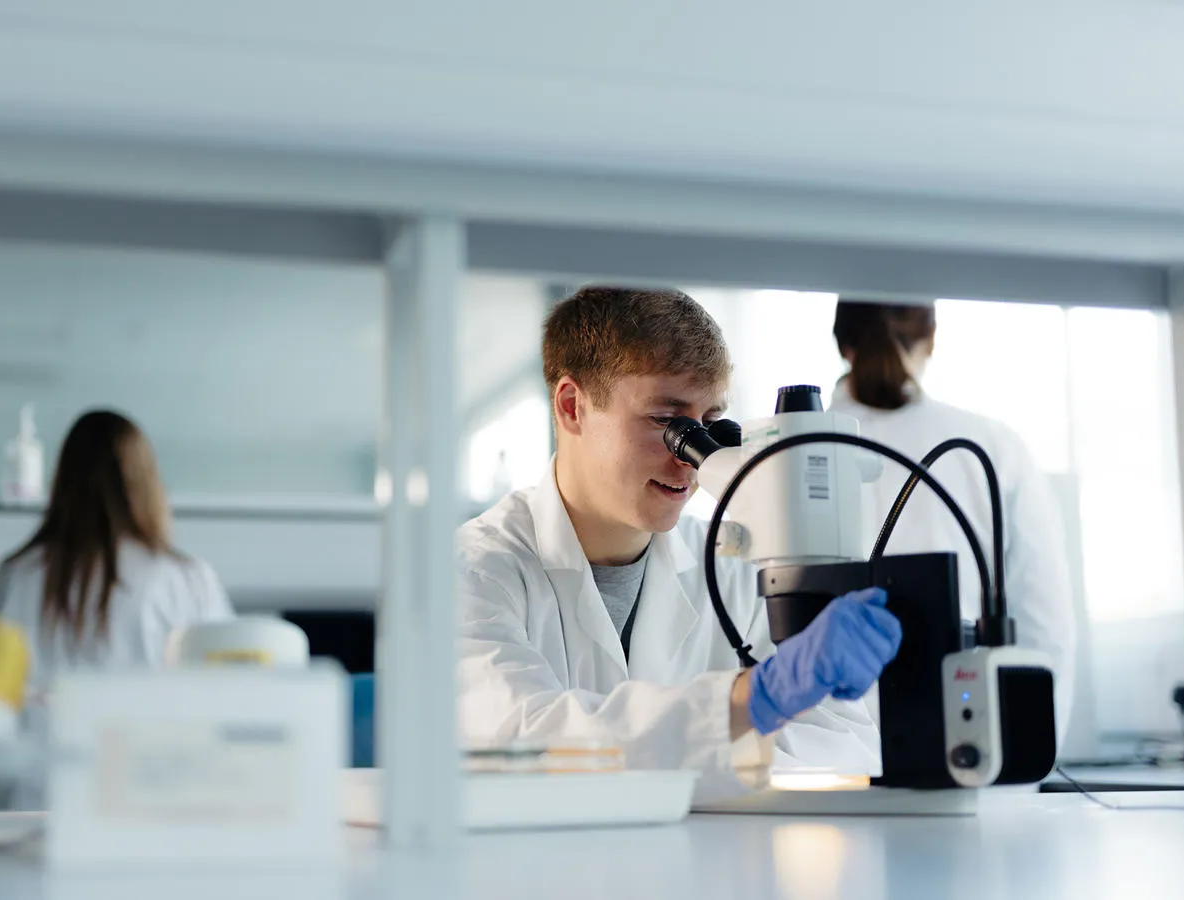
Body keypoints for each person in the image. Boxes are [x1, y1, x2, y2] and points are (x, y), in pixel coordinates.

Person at [457, 287, 903, 801]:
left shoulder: (734, 566)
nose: (691, 458)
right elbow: (520, 740)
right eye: (668, 422)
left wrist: (717, 739)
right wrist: (749, 705)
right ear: (572, 406)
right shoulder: (473, 570)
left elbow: (844, 744)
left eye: (709, 425)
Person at [828, 299, 1077, 736]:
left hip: (827, 750)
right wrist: (1030, 752)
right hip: (968, 739)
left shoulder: (790, 451)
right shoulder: (992, 445)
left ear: (842, 343)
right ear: (931, 338)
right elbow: (1045, 624)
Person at [0, 409, 234, 686]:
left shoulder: (15, 575)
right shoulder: (189, 580)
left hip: (37, 716)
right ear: (148, 483)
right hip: (153, 716)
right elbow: (225, 684)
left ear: (63, 481)